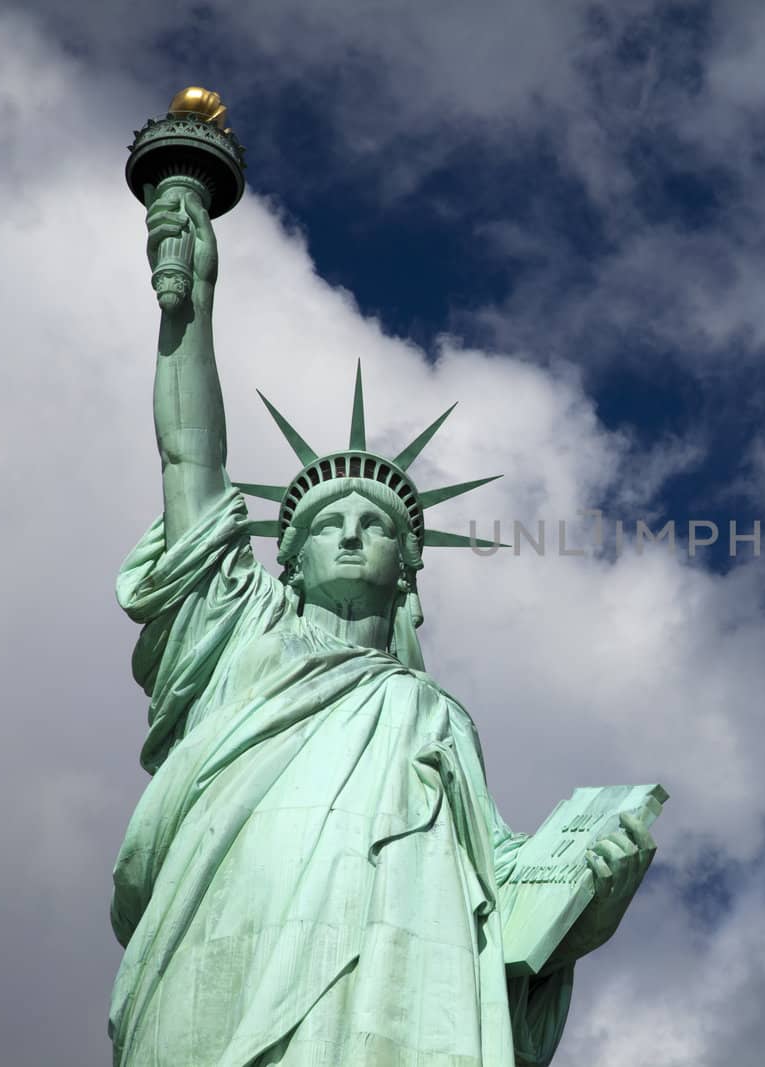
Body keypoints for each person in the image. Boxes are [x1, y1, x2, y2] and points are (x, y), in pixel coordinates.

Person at [107, 180, 655, 1067]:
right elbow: (189, 457)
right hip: (225, 930)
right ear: (287, 557)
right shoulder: (238, 636)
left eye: (379, 525)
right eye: (329, 522)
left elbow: (497, 894)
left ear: (410, 566)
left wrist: (593, 891)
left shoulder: (432, 715)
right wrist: (193, 306)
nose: (354, 531)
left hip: (401, 972)